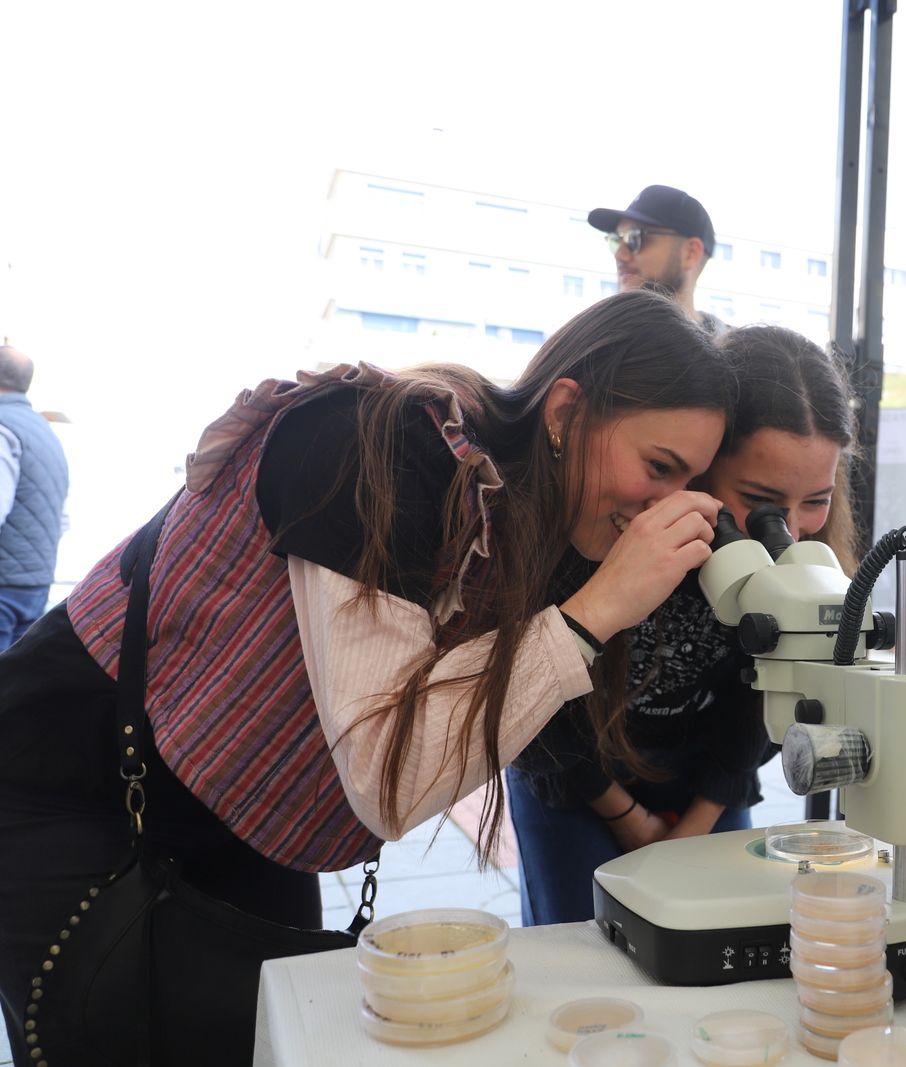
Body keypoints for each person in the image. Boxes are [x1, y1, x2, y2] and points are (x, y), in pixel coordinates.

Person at [0, 288, 735, 1061]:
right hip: (71, 775)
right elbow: (390, 781)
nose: (663, 507)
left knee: (273, 1035)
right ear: (564, 410)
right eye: (658, 466)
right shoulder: (382, 444)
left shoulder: (545, 524)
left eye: (689, 484)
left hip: (239, 808)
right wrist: (593, 613)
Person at [507, 324, 858, 925]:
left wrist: (698, 819)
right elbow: (539, 698)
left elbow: (762, 708)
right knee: (579, 945)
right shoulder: (603, 526)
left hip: (711, 778)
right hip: (570, 770)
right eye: (762, 499)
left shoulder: (810, 556)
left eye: (816, 500)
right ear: (700, 465)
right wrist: (626, 816)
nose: (792, 531)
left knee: (719, 935)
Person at [0, 345, 68, 650]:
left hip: (3, 585)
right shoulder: (44, 430)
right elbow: (62, 517)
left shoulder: (3, 427)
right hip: (36, 584)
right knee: (14, 675)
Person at [589, 184, 726, 334]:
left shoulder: (735, 347)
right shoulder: (597, 339)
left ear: (690, 253)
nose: (619, 255)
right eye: (615, 240)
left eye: (634, 238)